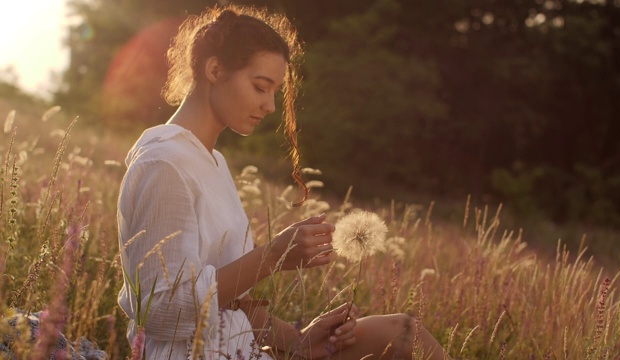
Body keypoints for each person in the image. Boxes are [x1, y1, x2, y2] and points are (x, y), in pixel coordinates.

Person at [117, 5, 447, 359]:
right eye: (261, 87)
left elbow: (233, 298)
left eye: (275, 91)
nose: (271, 106)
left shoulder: (211, 161)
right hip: (194, 353)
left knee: (403, 333)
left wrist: (298, 340)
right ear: (215, 70)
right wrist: (272, 256)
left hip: (237, 347)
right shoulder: (163, 163)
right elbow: (161, 311)